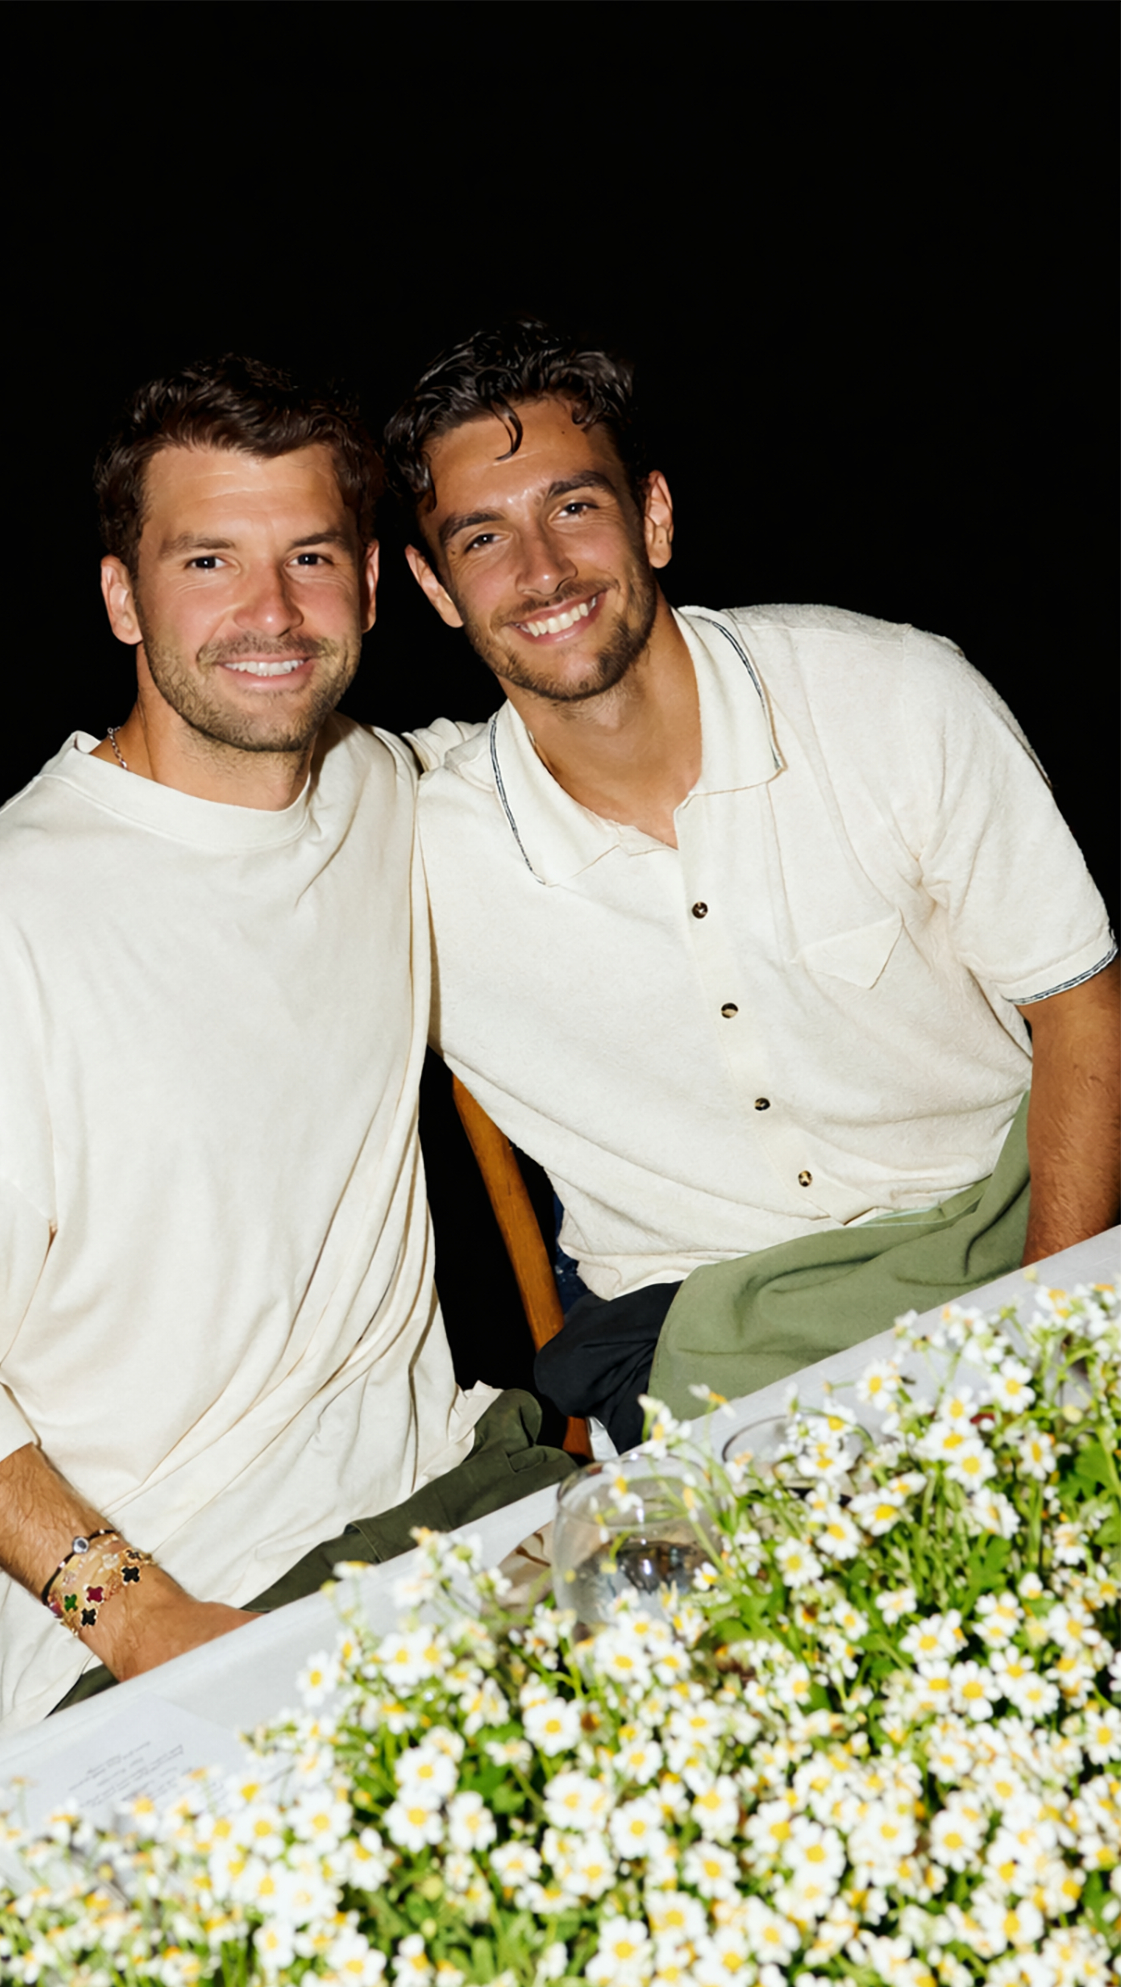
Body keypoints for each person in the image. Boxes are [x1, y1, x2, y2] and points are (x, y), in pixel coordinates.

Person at [0, 357, 574, 1753]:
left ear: (370, 585)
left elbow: (602, 756)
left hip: (448, 1495)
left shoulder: (382, 789)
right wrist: (139, 1616)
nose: (269, 613)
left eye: (309, 557)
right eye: (208, 561)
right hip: (155, 1618)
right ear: (121, 596)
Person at [382, 321, 1119, 1446]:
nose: (541, 570)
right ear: (436, 586)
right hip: (711, 1338)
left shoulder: (890, 696)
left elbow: (1081, 1010)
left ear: (654, 516)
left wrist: (1044, 1350)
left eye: (575, 506)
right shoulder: (415, 851)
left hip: (1011, 1229)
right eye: (483, 538)